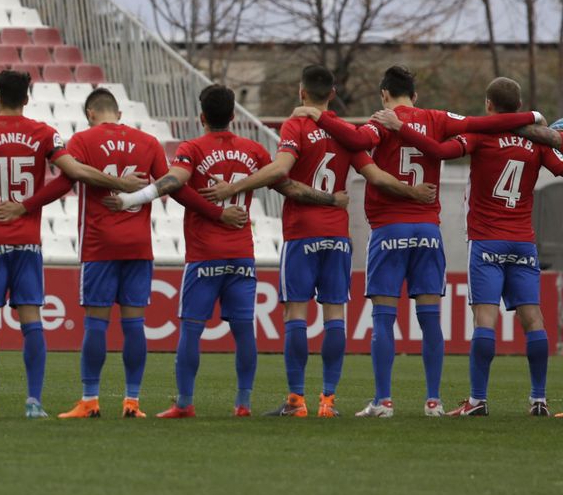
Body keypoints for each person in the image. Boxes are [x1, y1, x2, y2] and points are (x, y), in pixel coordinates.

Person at [296, 65, 545, 417]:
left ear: (384, 94)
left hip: (389, 230)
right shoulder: (436, 117)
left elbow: (354, 141)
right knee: (429, 318)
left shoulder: (380, 120)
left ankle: (383, 401)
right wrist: (531, 115)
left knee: (384, 317)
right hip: (429, 231)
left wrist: (316, 115)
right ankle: (434, 401)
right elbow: (480, 123)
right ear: (415, 95)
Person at [202, 65, 433, 417]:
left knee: (296, 311)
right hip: (338, 235)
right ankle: (328, 401)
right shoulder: (345, 132)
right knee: (335, 314)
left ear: (301, 93)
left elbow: (280, 170)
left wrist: (232, 187)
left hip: (302, 231)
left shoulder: (296, 125)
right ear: (333, 94)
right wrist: (413, 191)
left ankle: (297, 401)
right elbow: (376, 176)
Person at [1, 88, 232, 419]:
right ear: (119, 113)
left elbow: (64, 183)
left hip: (100, 245)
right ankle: (132, 402)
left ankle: (90, 400)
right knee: (134, 324)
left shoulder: (82, 140)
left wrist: (24, 207)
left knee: (96, 323)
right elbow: (175, 187)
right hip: (138, 246)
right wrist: (217, 212)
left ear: (91, 113)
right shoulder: (147, 141)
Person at [114, 84, 340, 418]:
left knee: (191, 328)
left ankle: (185, 403)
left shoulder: (192, 147)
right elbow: (289, 187)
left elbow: (174, 180)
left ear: (201, 116)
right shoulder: (254, 151)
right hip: (242, 255)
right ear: (233, 115)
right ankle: (243, 404)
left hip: (205, 254)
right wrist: (331, 199)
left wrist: (133, 198)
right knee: (243, 329)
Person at [0, 70, 148, 420]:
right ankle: (33, 403)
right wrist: (121, 183)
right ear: (26, 99)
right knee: (32, 322)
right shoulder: (43, 134)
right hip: (28, 243)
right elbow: (75, 173)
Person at [369, 78, 563, 417]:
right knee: (533, 318)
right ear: (518, 107)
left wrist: (401, 128)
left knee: (484, 320)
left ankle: (477, 400)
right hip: (523, 242)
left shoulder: (481, 136)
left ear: (489, 105)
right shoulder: (537, 143)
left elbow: (439, 151)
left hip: (486, 240)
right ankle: (538, 399)